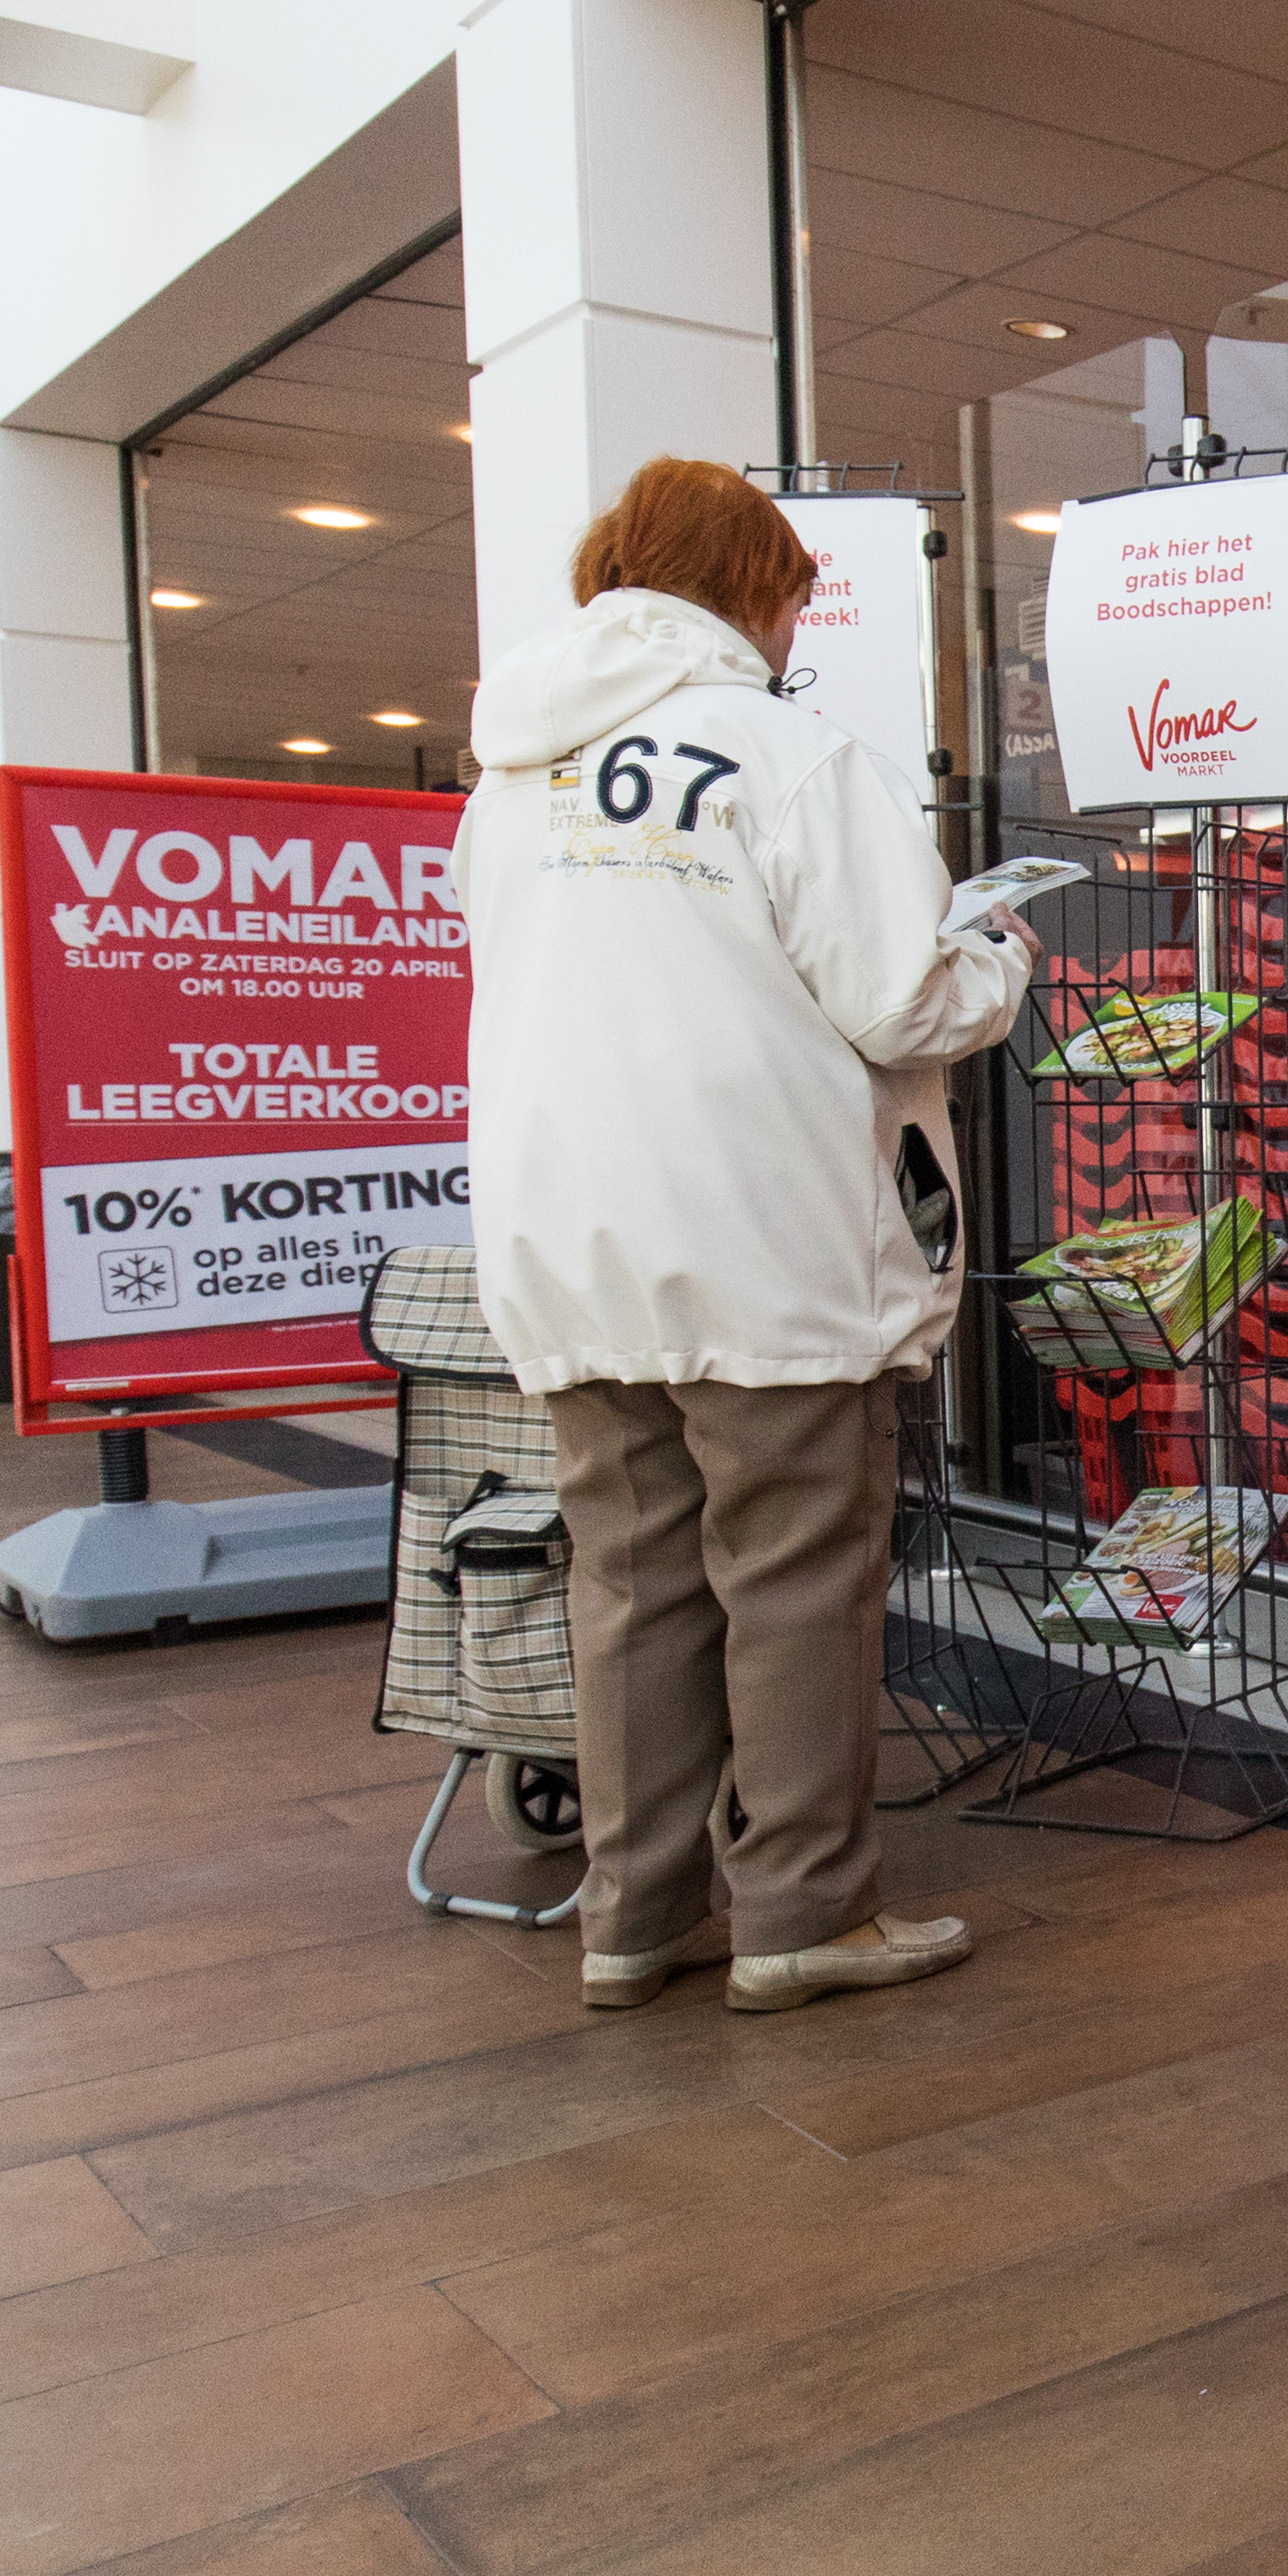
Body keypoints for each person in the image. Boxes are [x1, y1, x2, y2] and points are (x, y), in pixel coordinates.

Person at [457, 457, 1029, 2015]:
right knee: (791, 1578)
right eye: (790, 595)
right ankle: (802, 1915)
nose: (795, 625)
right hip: (761, 1229)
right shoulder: (781, 754)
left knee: (630, 1580)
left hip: (568, 1234)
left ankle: (633, 1918)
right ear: (756, 588)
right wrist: (999, 952)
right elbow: (900, 993)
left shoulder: (513, 774)